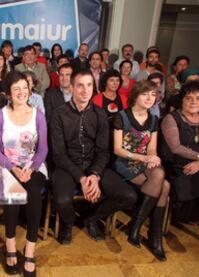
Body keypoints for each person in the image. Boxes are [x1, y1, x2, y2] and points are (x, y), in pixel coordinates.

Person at [51, 70, 137, 244]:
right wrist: (82, 178)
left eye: (89, 85)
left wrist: (95, 175)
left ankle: (91, 218)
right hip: (67, 166)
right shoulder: (59, 114)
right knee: (61, 200)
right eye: (80, 85)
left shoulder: (100, 114)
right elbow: (59, 154)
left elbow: (103, 151)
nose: (85, 90)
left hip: (94, 164)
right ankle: (68, 223)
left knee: (129, 196)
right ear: (72, 88)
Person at [0, 71, 48, 276]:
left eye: (25, 87)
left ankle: (30, 249)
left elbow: (43, 150)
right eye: (17, 89)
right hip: (6, 165)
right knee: (13, 194)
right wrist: (13, 168)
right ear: (9, 93)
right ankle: (10, 246)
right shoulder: (0, 115)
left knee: (33, 193)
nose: (22, 92)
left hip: (33, 166)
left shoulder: (38, 116)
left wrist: (30, 169)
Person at [113, 80, 170, 261]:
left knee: (164, 183)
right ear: (136, 95)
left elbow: (152, 148)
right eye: (145, 94)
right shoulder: (121, 116)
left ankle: (145, 231)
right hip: (126, 162)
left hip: (145, 162)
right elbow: (118, 150)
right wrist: (144, 158)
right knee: (163, 183)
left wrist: (152, 157)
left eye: (153, 95)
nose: (149, 98)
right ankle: (152, 235)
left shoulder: (153, 120)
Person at [161, 81, 199, 225]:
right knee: (191, 175)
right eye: (189, 98)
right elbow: (176, 148)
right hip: (177, 162)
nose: (194, 102)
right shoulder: (171, 118)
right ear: (182, 100)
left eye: (198, 98)